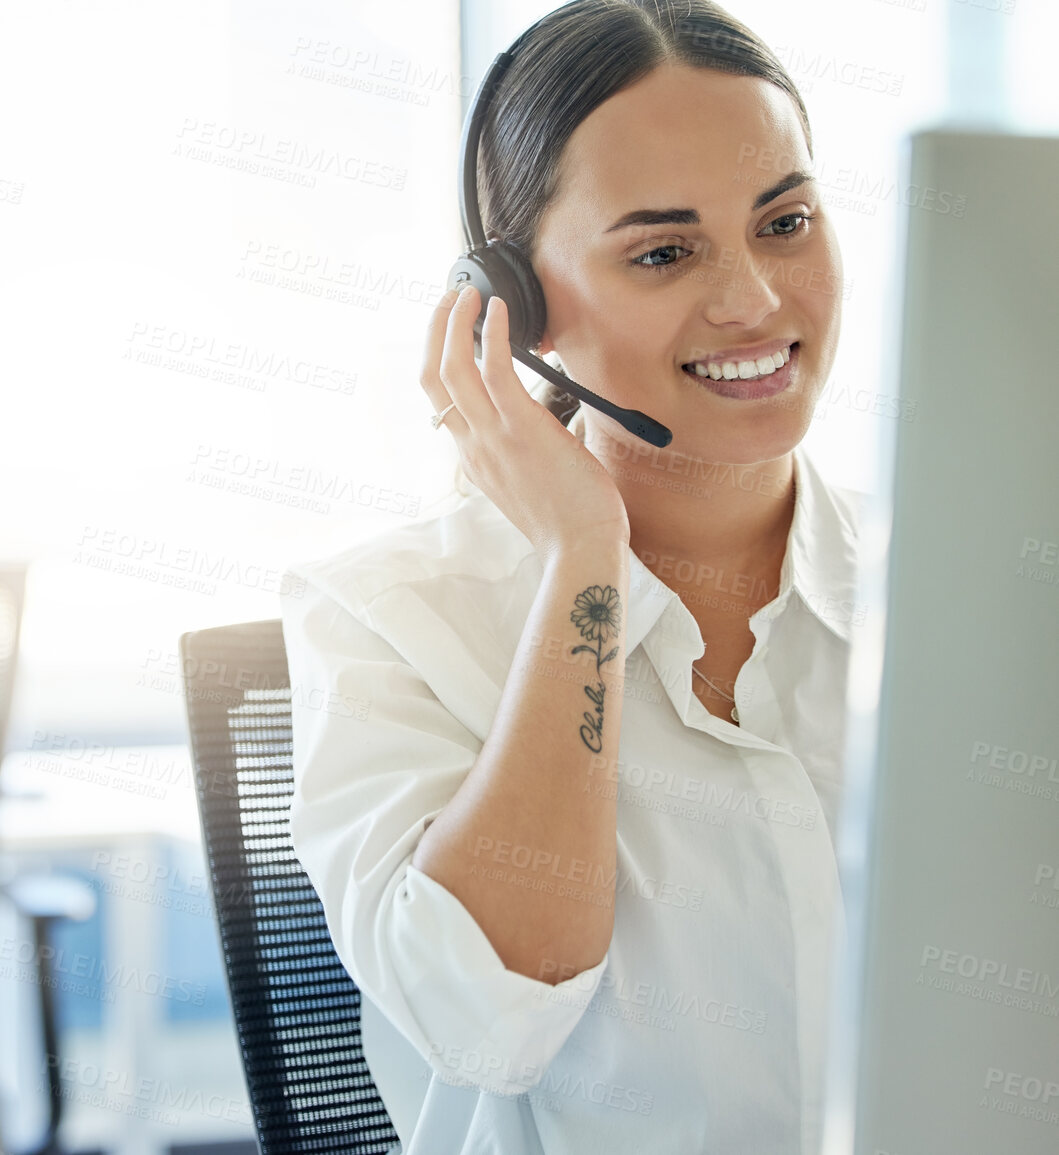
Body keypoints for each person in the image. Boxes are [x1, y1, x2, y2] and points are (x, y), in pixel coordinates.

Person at [280, 2, 864, 1152]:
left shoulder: (964, 589)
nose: (752, 298)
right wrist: (584, 562)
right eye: (663, 250)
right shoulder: (390, 619)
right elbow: (489, 1024)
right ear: (515, 311)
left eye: (785, 221)